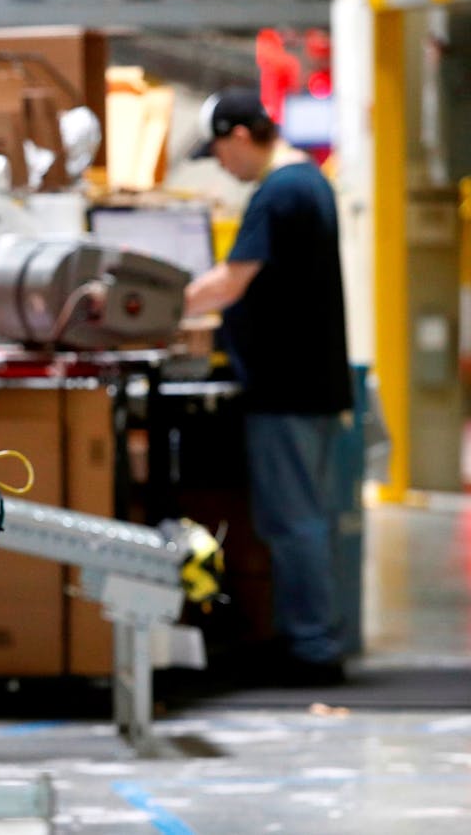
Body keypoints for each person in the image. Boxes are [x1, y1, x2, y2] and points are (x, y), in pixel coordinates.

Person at [184, 88, 353, 686]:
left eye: (221, 154)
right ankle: (314, 637)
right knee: (309, 518)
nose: (223, 167)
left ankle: (312, 650)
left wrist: (156, 306)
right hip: (314, 382)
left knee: (293, 522)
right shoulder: (310, 182)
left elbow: (231, 282)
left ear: (238, 136)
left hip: (287, 387)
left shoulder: (278, 192)